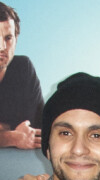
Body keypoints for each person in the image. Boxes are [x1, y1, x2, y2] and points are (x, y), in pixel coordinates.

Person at [0, 2, 44, 149]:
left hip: (19, 161)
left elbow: (37, 127)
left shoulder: (23, 68)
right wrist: (11, 137)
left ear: (16, 39)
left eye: (8, 38)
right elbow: (21, 134)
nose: (2, 47)